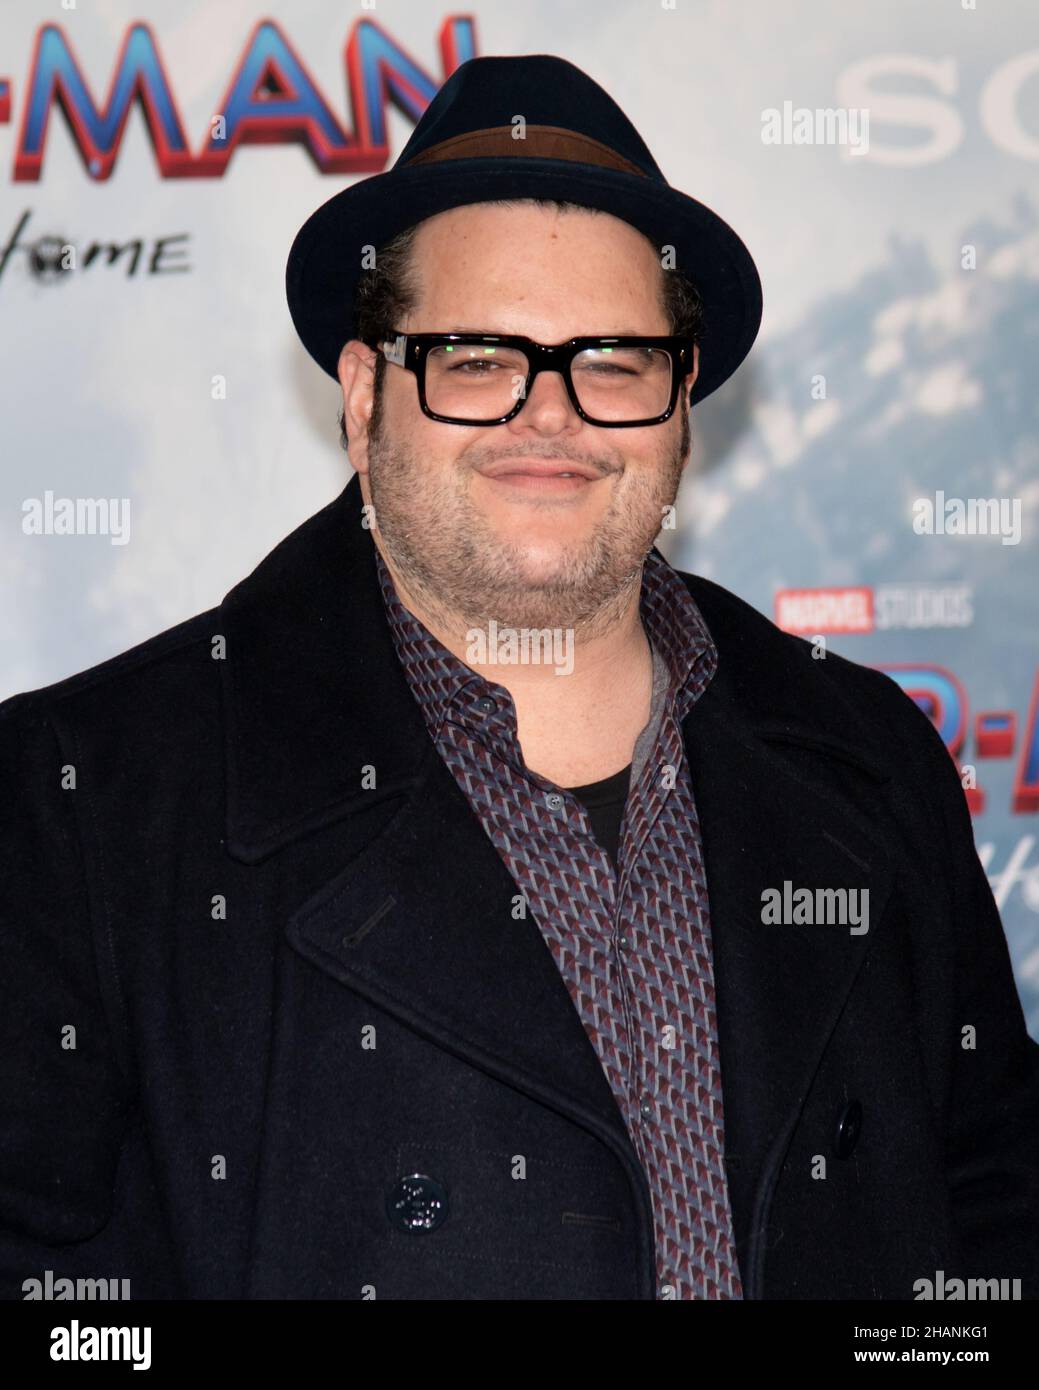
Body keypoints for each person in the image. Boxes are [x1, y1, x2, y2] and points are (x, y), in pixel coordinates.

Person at [2, 53, 1037, 1302]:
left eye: (611, 360)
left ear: (683, 405)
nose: (549, 417)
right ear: (364, 392)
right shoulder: (79, 804)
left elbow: (989, 1216)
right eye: (477, 356)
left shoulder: (864, 756)